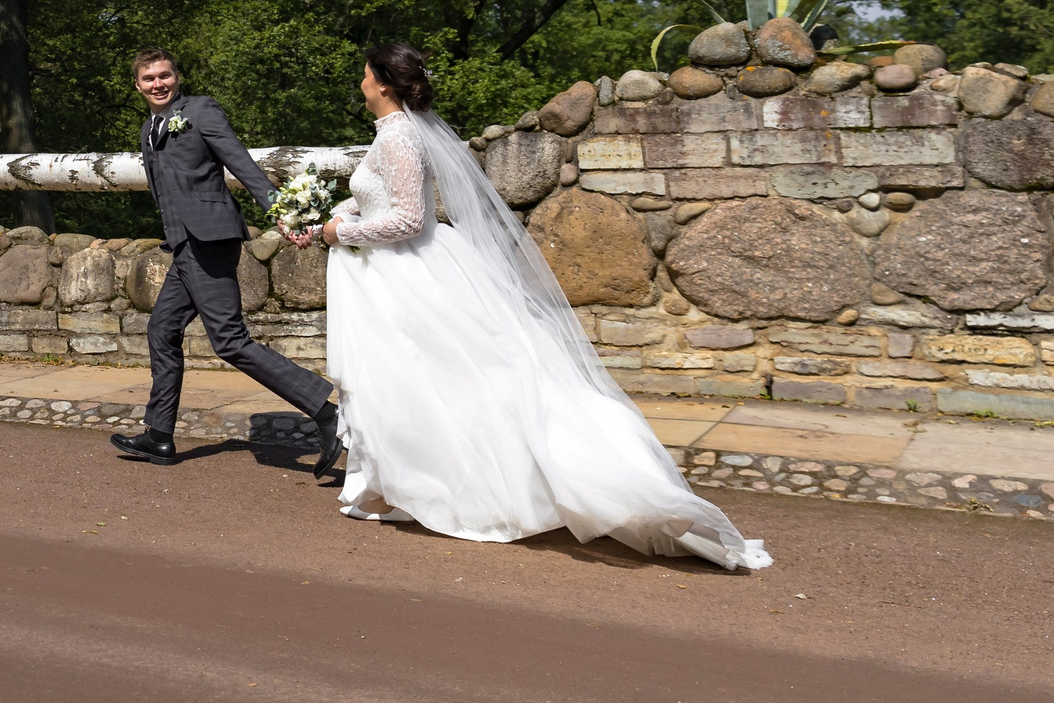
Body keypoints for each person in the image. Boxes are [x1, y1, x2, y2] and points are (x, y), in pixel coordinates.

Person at [289, 42, 771, 571]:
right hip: (389, 275)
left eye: (364, 74)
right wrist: (321, 222)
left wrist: (342, 233)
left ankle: (469, 486)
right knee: (411, 380)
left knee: (442, 378)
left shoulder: (401, 135)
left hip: (410, 275)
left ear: (383, 82)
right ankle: (394, 483)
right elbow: (375, 198)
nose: (359, 81)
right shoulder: (391, 135)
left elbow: (408, 219)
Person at [111, 48, 343, 473]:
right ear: (138, 86)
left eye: (165, 75)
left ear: (177, 77)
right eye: (149, 79)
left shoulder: (199, 111)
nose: (158, 84)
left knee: (230, 341)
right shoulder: (149, 127)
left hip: (211, 240)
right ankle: (160, 436)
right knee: (162, 330)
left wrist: (283, 216)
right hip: (183, 245)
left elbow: (243, 165)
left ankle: (327, 414)